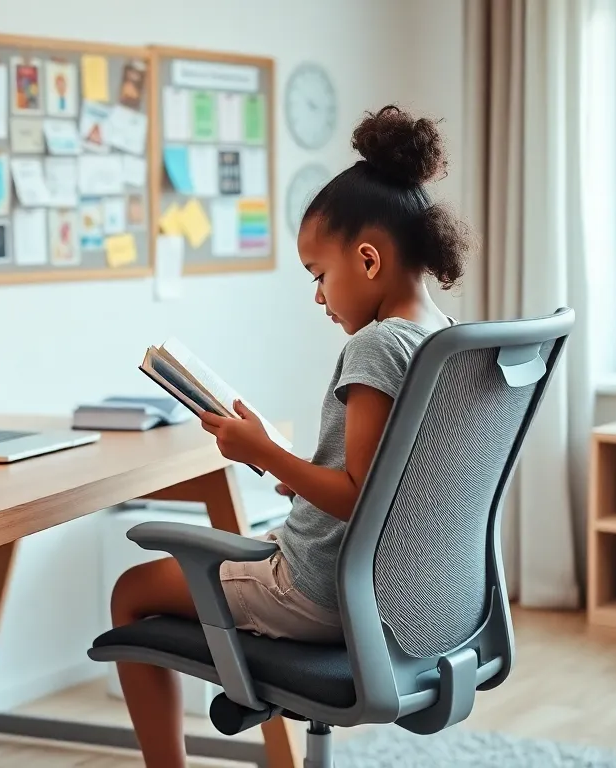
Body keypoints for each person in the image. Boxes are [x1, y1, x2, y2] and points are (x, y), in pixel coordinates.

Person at [108, 104, 473, 767]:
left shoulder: (376, 346)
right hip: (403, 592)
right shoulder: (445, 340)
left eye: (318, 275)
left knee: (131, 592)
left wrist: (264, 453)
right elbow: (390, 484)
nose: (318, 296)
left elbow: (356, 496)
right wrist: (295, 473)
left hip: (317, 590)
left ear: (367, 260)